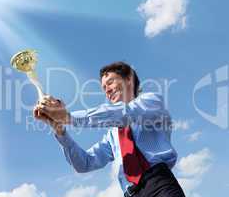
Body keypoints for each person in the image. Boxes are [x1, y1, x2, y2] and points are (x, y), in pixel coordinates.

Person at [33, 62, 186, 197]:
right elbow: (85, 163)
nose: (107, 90)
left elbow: (125, 113)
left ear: (128, 79)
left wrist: (68, 117)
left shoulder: (151, 101)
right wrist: (59, 129)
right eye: (104, 88)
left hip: (159, 185)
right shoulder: (113, 135)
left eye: (111, 82)